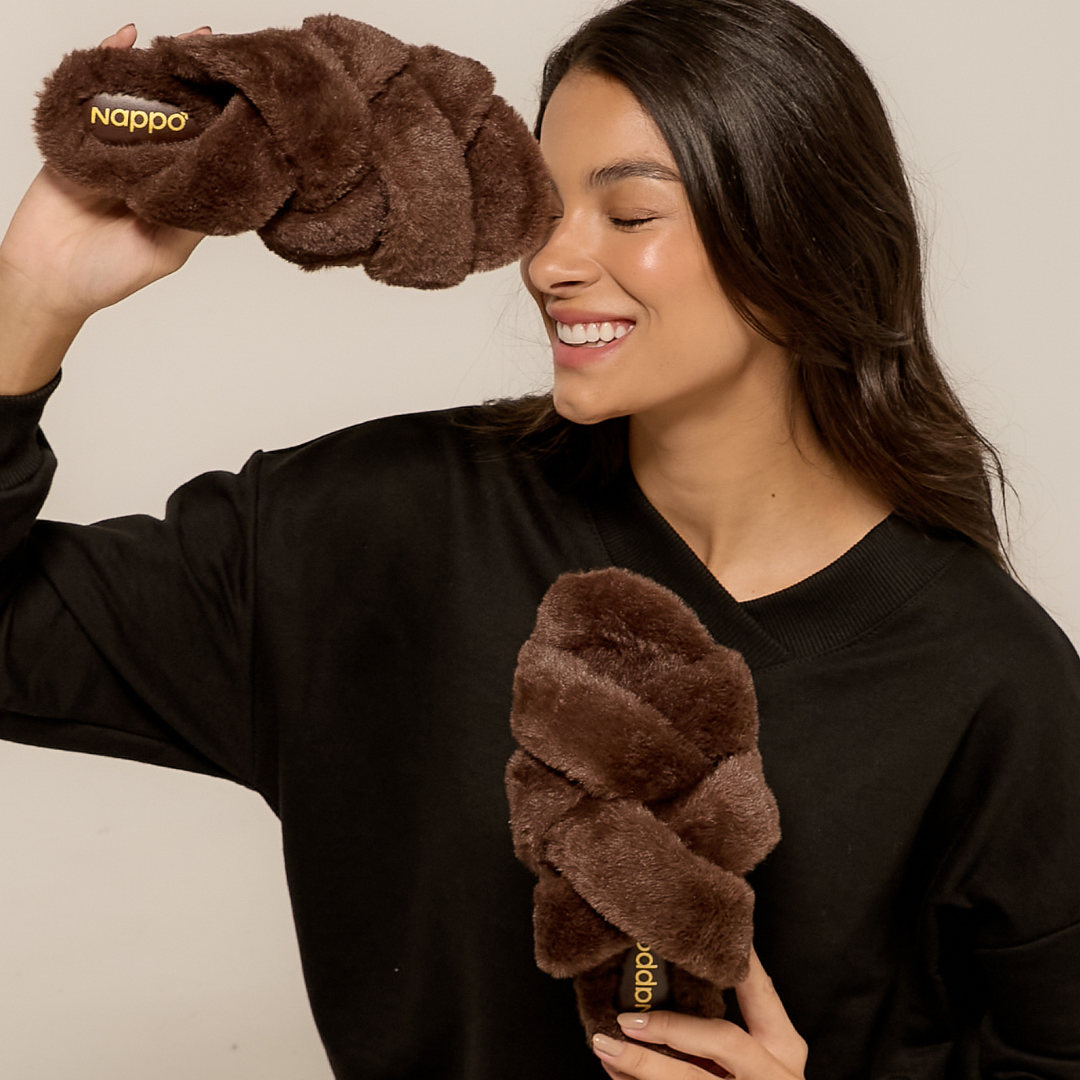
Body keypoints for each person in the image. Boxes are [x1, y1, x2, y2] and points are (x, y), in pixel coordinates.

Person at [1, 1, 1078, 1078]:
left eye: (632, 214)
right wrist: (31, 302)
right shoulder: (382, 533)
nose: (551, 261)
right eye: (551, 209)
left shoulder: (992, 683)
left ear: (804, 236)